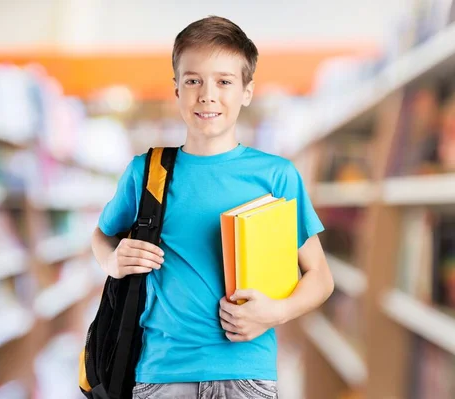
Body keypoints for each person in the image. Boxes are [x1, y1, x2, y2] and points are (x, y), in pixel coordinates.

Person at [91, 15, 334, 399]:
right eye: (193, 80)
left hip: (247, 373)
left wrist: (275, 312)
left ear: (247, 91)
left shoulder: (276, 176)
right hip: (160, 374)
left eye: (224, 81)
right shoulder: (146, 172)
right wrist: (111, 261)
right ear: (177, 89)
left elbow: (320, 276)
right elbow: (102, 236)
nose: (207, 94)